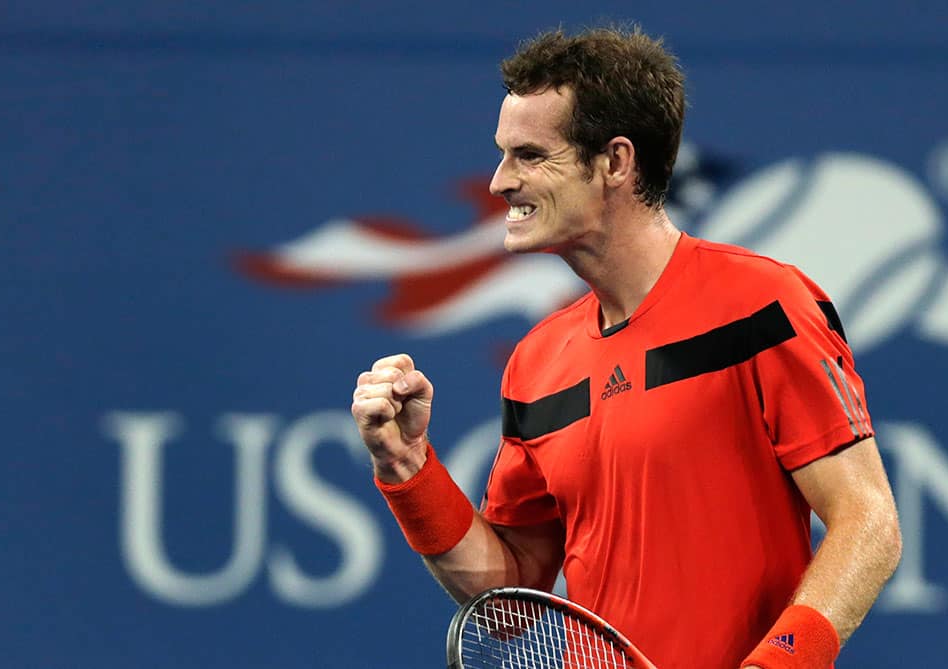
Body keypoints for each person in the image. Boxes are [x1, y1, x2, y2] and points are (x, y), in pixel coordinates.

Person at [351, 25, 901, 669]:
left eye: (530, 156)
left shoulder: (762, 305)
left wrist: (780, 661)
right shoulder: (536, 363)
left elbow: (869, 522)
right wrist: (406, 468)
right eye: (503, 154)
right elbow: (509, 598)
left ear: (615, 161)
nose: (501, 181)